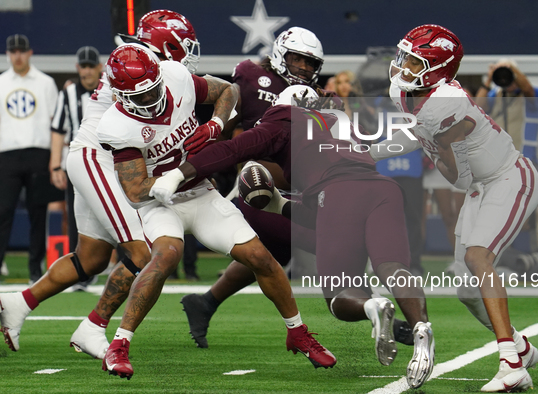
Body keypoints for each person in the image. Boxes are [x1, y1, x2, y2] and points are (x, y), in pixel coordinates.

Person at [151, 85, 435, 389]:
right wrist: (280, 204)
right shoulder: (341, 121)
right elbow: (328, 205)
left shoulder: (281, 121)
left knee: (339, 297)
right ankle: (422, 328)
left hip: (337, 194)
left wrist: (176, 175)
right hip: (383, 188)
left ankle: (371, 307)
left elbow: (229, 151)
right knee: (393, 268)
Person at [96, 45, 335, 379]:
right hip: (159, 202)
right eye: (142, 95)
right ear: (120, 96)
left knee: (261, 257)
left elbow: (228, 91)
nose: (151, 100)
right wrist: (165, 181)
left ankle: (297, 332)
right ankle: (118, 345)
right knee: (166, 256)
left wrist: (214, 125)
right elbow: (135, 189)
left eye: (153, 90)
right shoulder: (117, 126)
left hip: (202, 192)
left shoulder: (176, 77)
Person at [0, 10, 201, 359]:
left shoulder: (142, 59)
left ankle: (16, 304)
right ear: (166, 42)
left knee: (90, 259)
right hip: (99, 159)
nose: (189, 51)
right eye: (183, 44)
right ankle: (93, 326)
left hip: (99, 159)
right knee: (143, 253)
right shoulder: (144, 65)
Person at [370, 25, 538, 391]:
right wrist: (368, 151)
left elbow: (455, 176)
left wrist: (438, 146)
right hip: (481, 186)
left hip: (509, 177)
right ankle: (522, 347)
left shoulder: (448, 101)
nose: (402, 67)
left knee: (479, 258)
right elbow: (417, 134)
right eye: (403, 57)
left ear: (439, 69)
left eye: (413, 61)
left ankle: (511, 363)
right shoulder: (406, 93)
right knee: (466, 289)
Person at [0, 34, 59, 284]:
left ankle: (35, 268)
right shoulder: (1, 82)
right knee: (3, 211)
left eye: (21, 51)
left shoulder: (45, 83)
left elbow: (56, 123)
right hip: (7, 155)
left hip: (39, 153)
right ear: (8, 54)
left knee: (38, 213)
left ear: (30, 53)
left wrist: (56, 159)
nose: (17, 55)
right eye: (13, 51)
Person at [50, 45, 103, 290]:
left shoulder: (108, 90)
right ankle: (79, 270)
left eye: (91, 65)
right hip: (78, 162)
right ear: (77, 68)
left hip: (106, 161)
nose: (87, 71)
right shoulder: (69, 94)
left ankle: (127, 266)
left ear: (100, 67)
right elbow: (59, 130)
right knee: (77, 218)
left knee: (116, 216)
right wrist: (55, 166)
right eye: (84, 66)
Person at [475, 59, 538, 166]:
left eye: (508, 74)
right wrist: (490, 78)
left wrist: (511, 69)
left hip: (527, 159)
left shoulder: (534, 94)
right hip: (500, 159)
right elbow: (478, 107)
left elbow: (527, 88)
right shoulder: (495, 94)